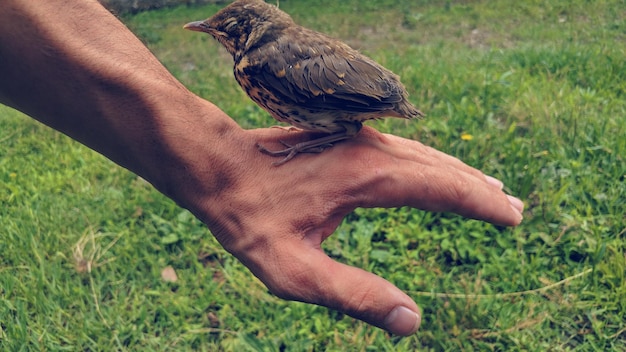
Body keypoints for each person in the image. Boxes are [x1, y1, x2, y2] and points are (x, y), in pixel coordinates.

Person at [0, 0, 524, 336]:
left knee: (333, 128)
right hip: (356, 98)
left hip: (352, 101)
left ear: (248, 31)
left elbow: (331, 92)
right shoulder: (258, 57)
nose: (216, 34)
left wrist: (309, 143)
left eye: (224, 29)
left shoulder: (260, 61)